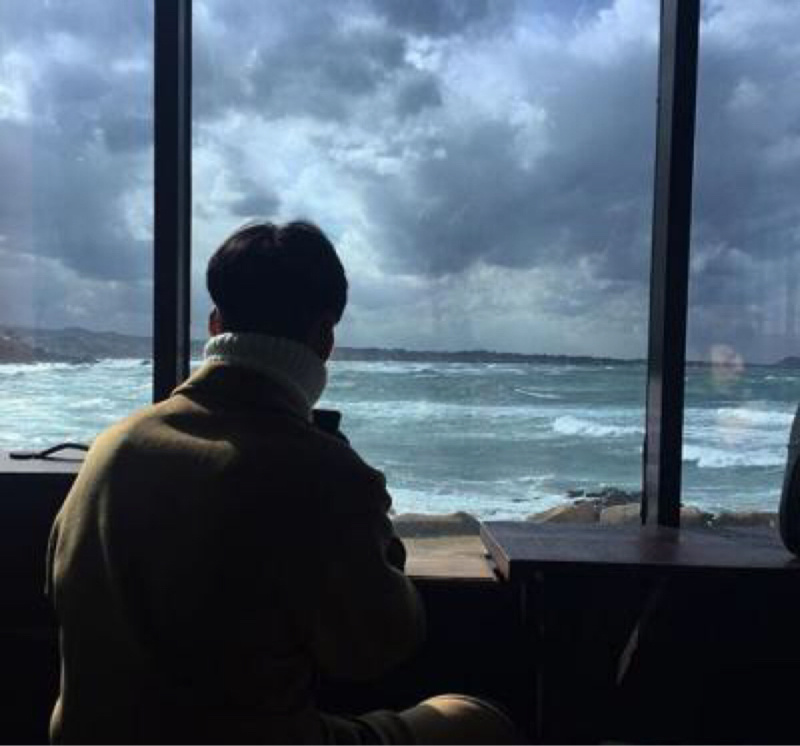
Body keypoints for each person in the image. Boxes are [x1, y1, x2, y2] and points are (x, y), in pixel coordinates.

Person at [46, 221, 519, 744]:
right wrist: (379, 540)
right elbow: (379, 648)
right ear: (325, 338)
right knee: (473, 718)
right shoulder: (322, 471)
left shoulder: (113, 446)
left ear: (214, 324)